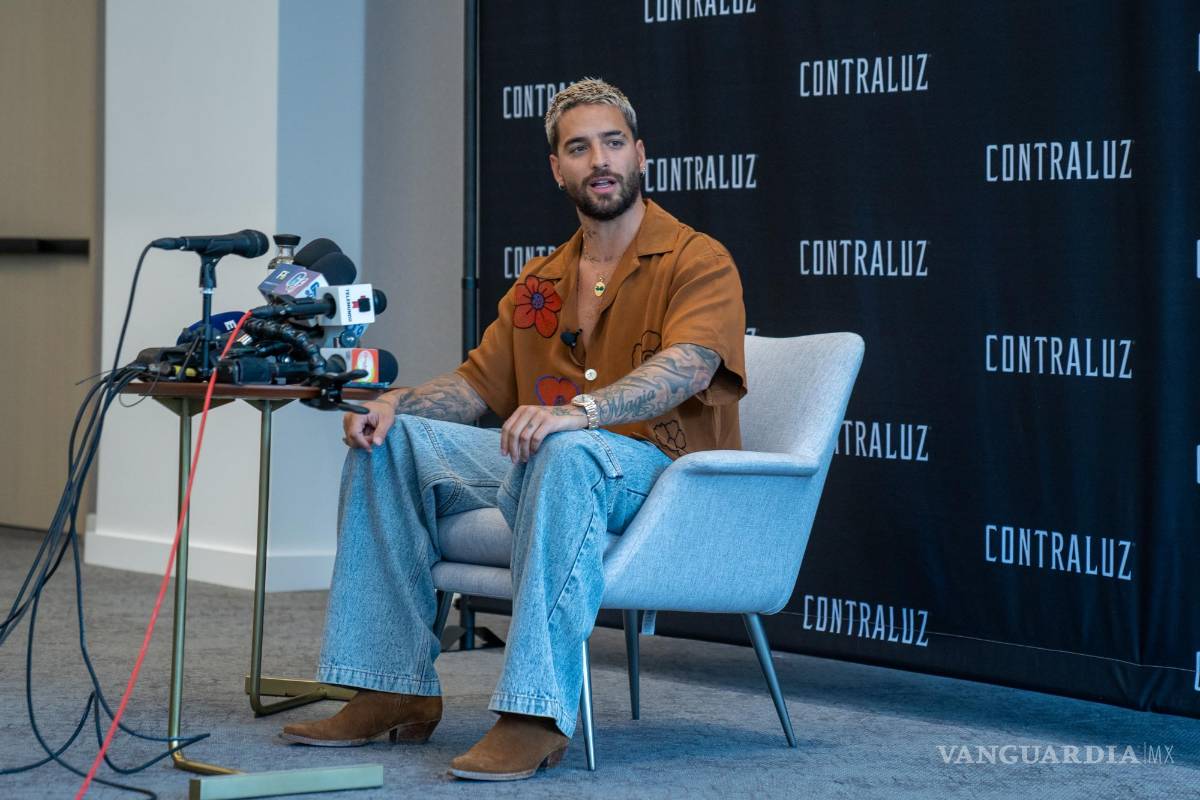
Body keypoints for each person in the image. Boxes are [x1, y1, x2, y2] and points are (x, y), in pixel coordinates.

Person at [281, 77, 747, 781]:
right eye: (580, 148)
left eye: (614, 143)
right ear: (557, 168)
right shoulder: (542, 280)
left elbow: (689, 365)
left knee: (565, 452)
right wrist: (395, 407)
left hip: (664, 476)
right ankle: (390, 688)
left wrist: (578, 413)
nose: (600, 161)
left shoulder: (695, 258)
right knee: (391, 445)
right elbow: (476, 387)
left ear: (641, 155)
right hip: (562, 460)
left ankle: (535, 712)